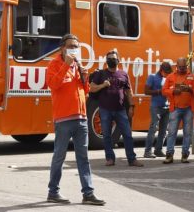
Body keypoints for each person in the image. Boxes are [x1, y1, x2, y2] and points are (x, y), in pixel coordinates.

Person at [46, 34, 105, 205]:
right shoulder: (54, 64)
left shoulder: (78, 65)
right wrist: (66, 65)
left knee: (83, 158)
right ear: (62, 48)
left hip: (81, 118)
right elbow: (54, 84)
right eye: (71, 45)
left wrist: (85, 78)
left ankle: (88, 193)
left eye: (77, 46)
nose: (74, 49)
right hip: (63, 119)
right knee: (59, 157)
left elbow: (85, 91)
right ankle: (53, 192)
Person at [90, 49, 143, 167]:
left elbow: (129, 92)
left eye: (113, 59)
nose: (111, 60)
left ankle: (132, 159)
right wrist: (103, 85)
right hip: (105, 109)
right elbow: (92, 88)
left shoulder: (123, 74)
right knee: (107, 135)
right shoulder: (100, 74)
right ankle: (110, 159)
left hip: (120, 110)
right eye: (109, 59)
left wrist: (131, 106)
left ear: (118, 60)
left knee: (127, 134)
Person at [162, 57, 194, 164]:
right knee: (172, 133)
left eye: (184, 67)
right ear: (176, 66)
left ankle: (184, 155)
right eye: (180, 67)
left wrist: (190, 90)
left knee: (187, 133)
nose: (182, 69)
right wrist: (174, 91)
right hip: (175, 109)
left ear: (186, 66)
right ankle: (169, 155)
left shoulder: (192, 77)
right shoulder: (170, 77)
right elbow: (164, 91)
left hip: (188, 109)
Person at [143, 62, 173, 158]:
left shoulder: (168, 78)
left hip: (166, 107)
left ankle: (158, 150)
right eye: (166, 72)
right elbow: (146, 91)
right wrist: (159, 91)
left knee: (164, 131)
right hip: (156, 107)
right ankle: (147, 151)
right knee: (153, 129)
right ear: (161, 70)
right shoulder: (152, 77)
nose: (168, 74)